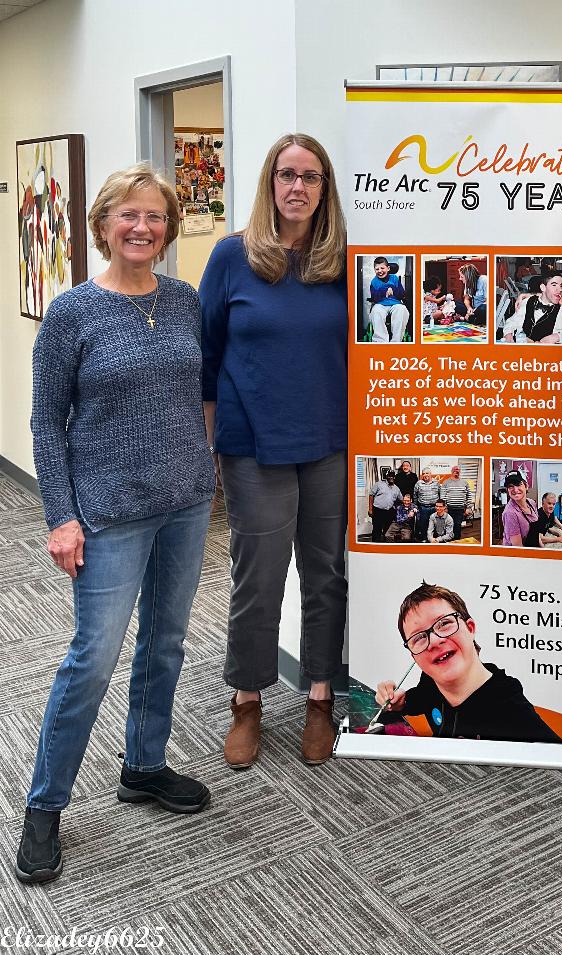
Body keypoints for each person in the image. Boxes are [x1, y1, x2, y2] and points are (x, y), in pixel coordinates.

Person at [18, 164, 216, 884]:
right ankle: (45, 806)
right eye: (128, 215)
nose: (142, 228)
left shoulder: (185, 300)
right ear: (103, 223)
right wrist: (61, 516)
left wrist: (208, 466)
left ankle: (144, 763)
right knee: (92, 657)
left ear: (168, 229)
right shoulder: (73, 311)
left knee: (165, 642)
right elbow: (46, 421)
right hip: (106, 513)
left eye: (156, 217)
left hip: (187, 502)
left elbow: (198, 392)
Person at [200, 132, 348, 770]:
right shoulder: (233, 257)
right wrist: (205, 445)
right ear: (269, 182)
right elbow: (204, 357)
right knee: (258, 578)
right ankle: (248, 699)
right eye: (286, 175)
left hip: (329, 442)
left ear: (324, 189)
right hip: (252, 443)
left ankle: (319, 696)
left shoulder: (343, 260)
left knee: (326, 574)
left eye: (310, 176)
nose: (297, 187)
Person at [375, 583, 562, 743]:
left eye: (444, 623)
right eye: (418, 638)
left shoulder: (511, 710)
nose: (434, 641)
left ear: (470, 628)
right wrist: (401, 702)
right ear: (413, 657)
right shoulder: (431, 681)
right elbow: (423, 698)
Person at [502, 271, 562, 344]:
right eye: (554, 285)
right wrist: (508, 333)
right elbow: (512, 322)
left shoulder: (561, 311)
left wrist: (558, 337)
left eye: (561, 286)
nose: (559, 290)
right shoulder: (528, 302)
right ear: (543, 287)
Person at [369, 255, 408, 342]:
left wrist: (393, 289)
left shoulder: (394, 278)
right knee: (376, 311)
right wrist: (384, 290)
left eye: (382, 268)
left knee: (402, 310)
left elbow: (402, 294)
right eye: (377, 269)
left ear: (388, 268)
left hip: (395, 303)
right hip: (380, 304)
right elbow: (374, 298)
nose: (380, 271)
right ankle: (381, 341)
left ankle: (396, 341)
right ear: (374, 270)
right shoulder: (374, 282)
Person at [500, 471, 540, 547]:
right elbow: (518, 547)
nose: (515, 489)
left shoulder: (531, 503)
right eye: (510, 486)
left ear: (526, 486)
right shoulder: (510, 513)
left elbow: (536, 534)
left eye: (518, 484)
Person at [369, 472, 403, 542]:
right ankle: (375, 546)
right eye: (389, 476)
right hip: (378, 510)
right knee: (376, 529)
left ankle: (384, 546)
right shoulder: (379, 484)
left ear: (394, 477)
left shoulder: (396, 488)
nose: (391, 478)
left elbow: (402, 499)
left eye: (393, 476)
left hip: (389, 512)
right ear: (386, 476)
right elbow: (371, 495)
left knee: (387, 531)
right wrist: (370, 509)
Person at [441, 464, 472, 540]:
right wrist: (444, 508)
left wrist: (468, 508)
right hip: (449, 509)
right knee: (448, 525)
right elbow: (442, 496)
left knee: (457, 526)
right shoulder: (446, 482)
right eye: (455, 470)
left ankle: (457, 542)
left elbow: (469, 496)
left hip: (460, 509)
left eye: (458, 470)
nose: (456, 472)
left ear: (460, 472)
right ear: (451, 471)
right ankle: (448, 541)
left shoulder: (465, 483)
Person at [413, 467, 441, 540]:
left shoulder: (436, 482)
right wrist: (415, 506)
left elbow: (440, 493)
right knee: (423, 524)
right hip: (423, 508)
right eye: (424, 473)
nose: (425, 475)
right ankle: (424, 538)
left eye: (427, 473)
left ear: (430, 474)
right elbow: (415, 495)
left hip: (435, 508)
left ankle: (434, 539)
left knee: (435, 524)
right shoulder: (418, 483)